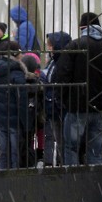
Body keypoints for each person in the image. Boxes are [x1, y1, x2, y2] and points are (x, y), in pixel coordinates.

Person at [53, 12, 102, 166]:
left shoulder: (75, 45)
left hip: (77, 106)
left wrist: (64, 99)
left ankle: (72, 183)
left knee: (71, 148)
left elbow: (62, 75)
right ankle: (94, 184)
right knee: (96, 150)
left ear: (82, 27)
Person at [0, 41, 28, 169]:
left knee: (4, 151)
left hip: (1, 116)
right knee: (15, 152)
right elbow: (21, 99)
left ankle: (2, 175)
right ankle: (15, 178)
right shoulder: (16, 71)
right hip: (14, 118)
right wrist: (26, 122)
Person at [41, 31, 71, 167]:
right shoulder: (53, 61)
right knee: (59, 141)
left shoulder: (62, 62)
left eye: (50, 45)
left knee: (63, 142)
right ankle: (61, 164)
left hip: (59, 108)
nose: (48, 48)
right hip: (53, 107)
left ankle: (63, 166)